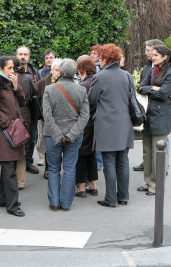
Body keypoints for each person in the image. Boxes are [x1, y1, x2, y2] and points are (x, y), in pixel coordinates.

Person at [88, 44, 134, 208]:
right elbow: (131, 99)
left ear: (106, 59)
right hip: (125, 124)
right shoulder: (127, 76)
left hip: (107, 125)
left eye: (100, 58)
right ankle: (123, 197)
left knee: (109, 162)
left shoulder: (100, 77)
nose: (99, 61)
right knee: (123, 161)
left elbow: (91, 100)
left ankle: (111, 199)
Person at [43, 58, 89, 211]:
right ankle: (66, 203)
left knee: (54, 169)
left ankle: (55, 202)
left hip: (52, 135)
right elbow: (85, 116)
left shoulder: (49, 89)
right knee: (70, 168)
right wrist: (72, 134)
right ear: (75, 72)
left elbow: (47, 115)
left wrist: (57, 134)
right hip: (74, 136)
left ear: (60, 71)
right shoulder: (81, 90)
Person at [0, 56, 26, 217]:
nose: (12, 71)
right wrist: (9, 123)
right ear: (0, 68)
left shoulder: (8, 84)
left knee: (8, 166)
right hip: (3, 131)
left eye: (13, 68)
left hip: (10, 129)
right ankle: (12, 204)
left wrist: (17, 87)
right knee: (9, 168)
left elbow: (22, 102)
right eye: (9, 68)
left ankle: (3, 199)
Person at [137, 45, 171, 196]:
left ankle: (156, 185)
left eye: (156, 55)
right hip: (147, 115)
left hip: (160, 117)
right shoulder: (150, 70)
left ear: (164, 57)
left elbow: (164, 94)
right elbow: (140, 87)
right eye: (152, 55)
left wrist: (151, 89)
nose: (152, 57)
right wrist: (154, 88)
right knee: (147, 151)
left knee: (158, 153)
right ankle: (148, 182)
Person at [133, 39, 164, 172]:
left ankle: (163, 166)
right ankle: (146, 163)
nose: (145, 53)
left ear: (156, 51)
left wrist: (148, 89)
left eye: (148, 50)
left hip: (158, 110)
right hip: (146, 107)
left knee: (161, 141)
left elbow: (163, 91)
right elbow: (141, 87)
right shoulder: (147, 66)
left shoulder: (166, 69)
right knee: (148, 142)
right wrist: (152, 88)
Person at [75, 56, 98, 198]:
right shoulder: (98, 82)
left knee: (81, 155)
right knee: (92, 155)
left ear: (82, 70)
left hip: (84, 125)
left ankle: (81, 187)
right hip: (96, 124)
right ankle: (94, 185)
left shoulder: (82, 87)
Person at [16, 46, 40, 175]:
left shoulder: (34, 71)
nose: (23, 56)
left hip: (31, 110)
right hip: (17, 110)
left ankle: (28, 163)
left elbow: (38, 89)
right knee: (18, 138)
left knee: (31, 138)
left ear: (29, 56)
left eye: (25, 54)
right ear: (16, 55)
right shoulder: (12, 71)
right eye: (20, 54)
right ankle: (18, 164)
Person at [36, 58, 62, 180]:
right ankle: (48, 168)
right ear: (52, 70)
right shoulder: (42, 83)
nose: (59, 73)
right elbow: (36, 99)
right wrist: (40, 114)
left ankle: (57, 167)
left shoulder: (66, 83)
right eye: (57, 70)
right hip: (45, 119)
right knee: (48, 144)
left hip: (61, 119)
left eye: (61, 70)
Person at [88, 44, 103, 170]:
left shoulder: (101, 70)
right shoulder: (91, 67)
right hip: (93, 107)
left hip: (99, 107)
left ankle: (99, 161)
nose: (92, 55)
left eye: (94, 53)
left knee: (98, 135)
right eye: (91, 53)